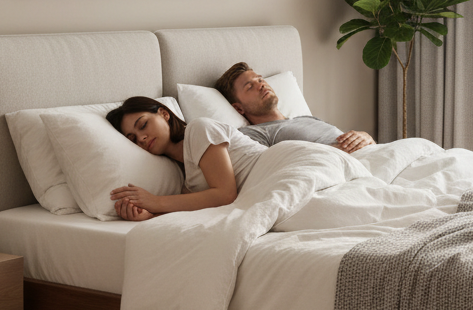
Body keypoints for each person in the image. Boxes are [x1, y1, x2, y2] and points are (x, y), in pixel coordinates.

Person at [105, 96, 265, 221]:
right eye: (133, 139)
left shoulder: (199, 129)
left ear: (164, 114)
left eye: (143, 125)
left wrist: (155, 202)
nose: (142, 138)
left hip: (278, 166)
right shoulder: (189, 183)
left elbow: (225, 195)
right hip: (262, 194)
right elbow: (197, 208)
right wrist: (148, 216)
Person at [213, 62, 376, 153]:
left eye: (260, 80)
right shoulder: (253, 135)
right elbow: (269, 167)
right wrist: (335, 151)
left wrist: (367, 138)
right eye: (250, 86)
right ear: (239, 109)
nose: (261, 85)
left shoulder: (306, 118)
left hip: (371, 155)